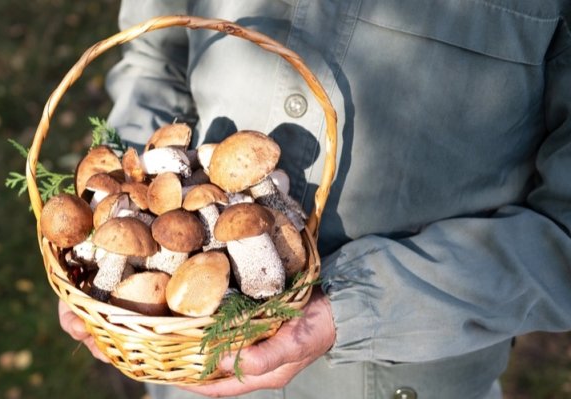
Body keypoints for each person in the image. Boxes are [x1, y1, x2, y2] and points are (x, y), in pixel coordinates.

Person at [59, 1, 571, 398]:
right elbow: (155, 60)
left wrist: (352, 306)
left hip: (401, 375)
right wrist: (117, 222)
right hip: (187, 360)